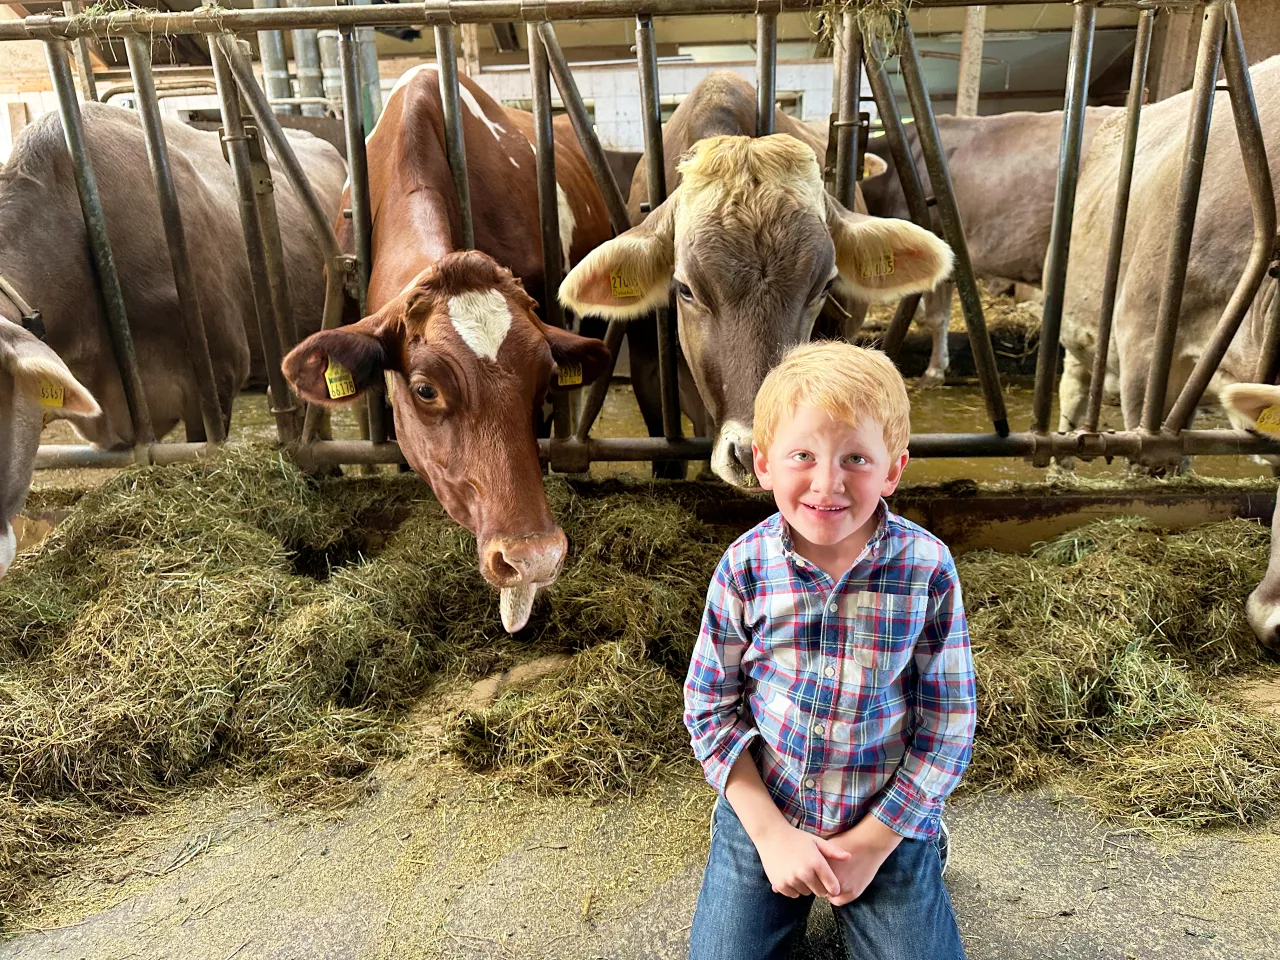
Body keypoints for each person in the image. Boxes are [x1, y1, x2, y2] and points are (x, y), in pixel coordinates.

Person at [683, 341, 976, 960]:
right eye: (802, 455)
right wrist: (768, 833)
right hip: (770, 805)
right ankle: (742, 840)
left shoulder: (927, 568)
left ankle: (922, 843)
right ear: (763, 464)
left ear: (894, 469)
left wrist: (874, 842)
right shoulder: (745, 567)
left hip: (881, 810)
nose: (827, 482)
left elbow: (949, 723)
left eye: (857, 458)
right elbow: (709, 707)